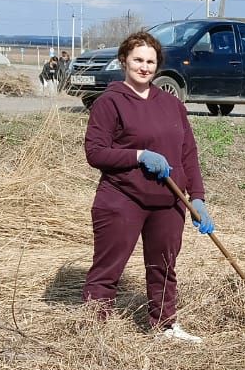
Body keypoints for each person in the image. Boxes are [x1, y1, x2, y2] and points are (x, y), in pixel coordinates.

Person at [82, 30, 215, 340]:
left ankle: (165, 324)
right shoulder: (109, 102)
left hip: (169, 199)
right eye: (137, 60)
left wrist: (196, 197)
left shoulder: (171, 104)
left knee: (164, 267)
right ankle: (95, 331)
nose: (144, 67)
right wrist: (138, 155)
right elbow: (95, 153)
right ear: (123, 61)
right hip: (122, 198)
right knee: (108, 268)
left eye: (150, 61)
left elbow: (188, 153)